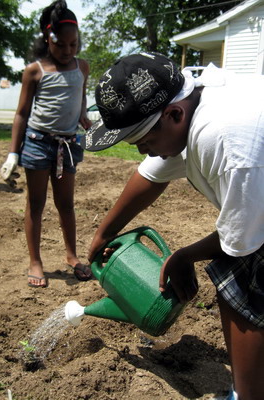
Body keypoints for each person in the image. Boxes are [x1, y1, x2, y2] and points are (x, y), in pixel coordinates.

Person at [80, 52, 264, 400]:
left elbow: (243, 240)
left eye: (145, 143)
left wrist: (185, 255)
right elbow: (150, 176)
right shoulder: (195, 99)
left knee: (241, 287)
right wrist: (103, 234)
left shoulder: (224, 141)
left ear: (174, 115)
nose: (142, 153)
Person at [0, 0, 92, 288]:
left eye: (73, 44)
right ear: (47, 39)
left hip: (68, 145)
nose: (67, 51)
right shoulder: (34, 71)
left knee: (66, 204)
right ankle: (35, 261)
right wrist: (13, 153)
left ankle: (71, 256)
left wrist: (85, 118)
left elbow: (81, 101)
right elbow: (22, 114)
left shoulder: (82, 67)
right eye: (60, 44)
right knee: (36, 204)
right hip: (38, 143)